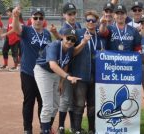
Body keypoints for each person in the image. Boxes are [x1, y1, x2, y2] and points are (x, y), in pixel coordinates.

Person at [12, 6, 52, 134]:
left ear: (44, 19)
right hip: (28, 72)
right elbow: (16, 28)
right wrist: (15, 16)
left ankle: (43, 127)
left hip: (44, 73)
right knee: (29, 101)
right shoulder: (27, 30)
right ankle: (27, 129)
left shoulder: (46, 33)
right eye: (35, 18)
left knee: (42, 101)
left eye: (41, 18)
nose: (38, 20)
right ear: (31, 19)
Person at [34, 28, 81, 134]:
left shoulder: (69, 49)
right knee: (48, 104)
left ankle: (47, 128)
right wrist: (68, 77)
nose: (70, 41)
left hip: (56, 74)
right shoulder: (54, 46)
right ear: (63, 36)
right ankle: (45, 131)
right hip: (43, 71)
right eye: (68, 38)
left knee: (55, 104)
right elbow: (53, 65)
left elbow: (65, 64)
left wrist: (61, 82)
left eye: (73, 40)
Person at [71, 10, 107, 134]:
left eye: (93, 20)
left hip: (96, 76)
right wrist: (83, 43)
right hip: (81, 75)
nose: (91, 22)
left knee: (93, 105)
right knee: (79, 104)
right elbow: (72, 53)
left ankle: (92, 129)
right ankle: (77, 129)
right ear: (85, 21)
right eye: (88, 20)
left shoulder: (101, 37)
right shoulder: (78, 33)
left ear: (96, 22)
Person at [49, 3, 82, 133]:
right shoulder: (64, 28)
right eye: (69, 14)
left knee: (74, 99)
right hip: (66, 69)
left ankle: (73, 126)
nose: (72, 16)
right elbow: (64, 43)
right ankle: (61, 126)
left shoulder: (78, 26)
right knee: (65, 98)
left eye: (74, 13)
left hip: (76, 67)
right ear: (64, 15)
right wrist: (56, 34)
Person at [0, 7, 23, 71]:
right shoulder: (10, 19)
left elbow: (14, 30)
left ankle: (16, 66)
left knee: (14, 52)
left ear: (12, 12)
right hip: (9, 38)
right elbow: (9, 28)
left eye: (8, 11)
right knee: (4, 50)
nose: (7, 13)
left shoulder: (14, 19)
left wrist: (4, 34)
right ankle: (5, 65)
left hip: (14, 38)